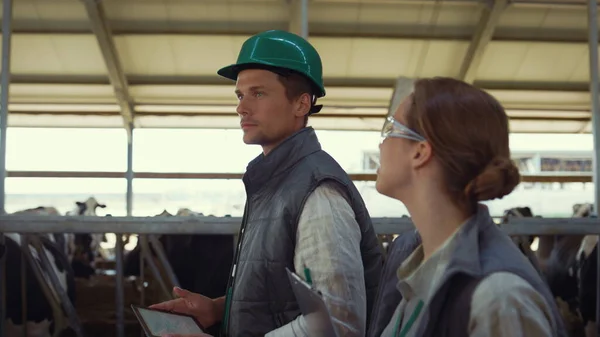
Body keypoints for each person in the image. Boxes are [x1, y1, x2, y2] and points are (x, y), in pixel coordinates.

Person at [150, 29, 384, 337]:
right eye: (240, 95)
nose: (241, 107)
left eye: (258, 93)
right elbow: (281, 296)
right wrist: (219, 309)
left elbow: (337, 324)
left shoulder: (318, 191)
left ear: (301, 105)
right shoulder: (276, 182)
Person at [366, 77, 567, 337]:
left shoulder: (498, 297)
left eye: (391, 129)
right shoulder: (422, 266)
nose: (381, 144)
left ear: (420, 152)